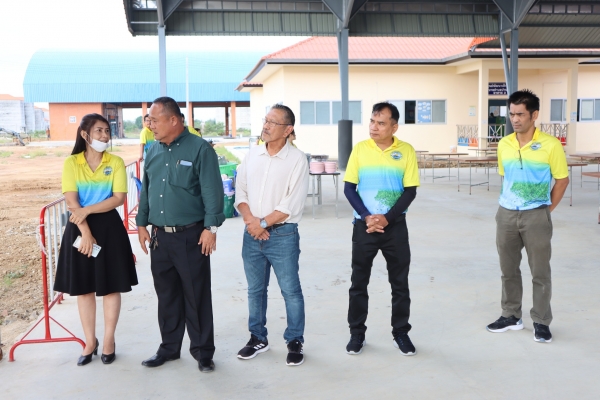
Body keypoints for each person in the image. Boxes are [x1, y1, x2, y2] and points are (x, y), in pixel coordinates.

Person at [136, 97, 225, 373]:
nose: (150, 125)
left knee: (196, 296)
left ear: (173, 120)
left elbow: (212, 191)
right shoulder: (152, 150)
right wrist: (142, 224)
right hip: (160, 237)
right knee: (167, 295)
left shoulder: (199, 149)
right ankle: (169, 348)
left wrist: (211, 229)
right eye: (149, 120)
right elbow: (147, 190)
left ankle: (203, 352)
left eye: (154, 120)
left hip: (191, 236)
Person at [53, 113, 138, 366]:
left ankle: (109, 340)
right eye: (99, 131)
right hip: (79, 227)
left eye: (107, 131)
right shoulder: (72, 163)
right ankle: (90, 341)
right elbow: (71, 201)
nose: (104, 135)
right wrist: (86, 232)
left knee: (111, 286)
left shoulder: (116, 162)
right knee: (84, 287)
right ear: (85, 135)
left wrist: (88, 210)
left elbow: (118, 198)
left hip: (109, 227)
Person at [486, 89, 569, 343]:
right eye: (512, 114)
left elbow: (562, 181)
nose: (515, 119)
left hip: (536, 216)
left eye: (520, 114)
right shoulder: (504, 144)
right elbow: (506, 177)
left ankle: (541, 321)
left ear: (534, 115)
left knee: (540, 272)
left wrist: (545, 210)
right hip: (506, 215)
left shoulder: (551, 145)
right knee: (508, 269)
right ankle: (511, 315)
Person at [234, 104, 309, 366]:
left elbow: (292, 204)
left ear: (288, 130)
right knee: (255, 290)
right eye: (265, 120)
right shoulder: (252, 155)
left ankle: (295, 340)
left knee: (291, 291)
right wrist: (252, 222)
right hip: (251, 234)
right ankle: (258, 338)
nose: (265, 126)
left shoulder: (297, 160)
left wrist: (263, 224)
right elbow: (240, 192)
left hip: (283, 235)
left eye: (272, 123)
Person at [343, 102, 420, 356]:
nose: (374, 127)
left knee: (400, 284)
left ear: (394, 127)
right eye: (372, 121)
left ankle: (401, 333)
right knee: (358, 283)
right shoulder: (360, 149)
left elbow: (410, 191)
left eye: (381, 123)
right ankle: (357, 333)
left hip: (395, 228)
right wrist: (367, 217)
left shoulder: (406, 151)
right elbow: (349, 188)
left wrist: (387, 218)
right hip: (363, 227)